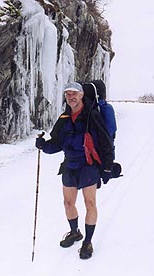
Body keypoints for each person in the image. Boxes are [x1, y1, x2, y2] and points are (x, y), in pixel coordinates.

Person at [36, 82, 114, 259]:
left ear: (81, 95)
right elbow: (56, 144)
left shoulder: (92, 116)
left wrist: (108, 166)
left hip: (88, 165)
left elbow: (105, 141)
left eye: (74, 94)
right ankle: (74, 232)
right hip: (70, 165)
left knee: (90, 204)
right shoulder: (64, 119)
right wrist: (43, 145)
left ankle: (87, 241)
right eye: (67, 94)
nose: (71, 97)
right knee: (68, 204)